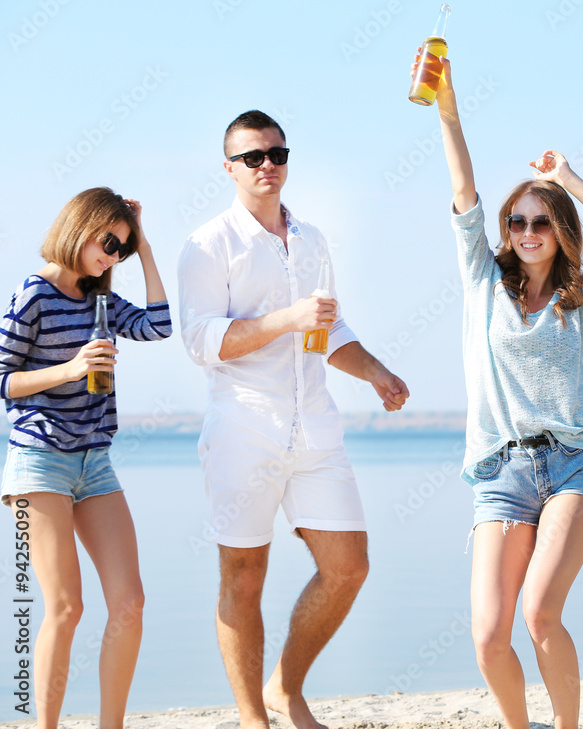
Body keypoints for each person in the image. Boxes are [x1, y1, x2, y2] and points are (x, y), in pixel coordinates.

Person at [177, 110, 409, 729]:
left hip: (317, 431)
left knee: (348, 568)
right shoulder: (208, 243)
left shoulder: (312, 239)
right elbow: (202, 341)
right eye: (252, 157)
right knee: (244, 575)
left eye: (277, 153)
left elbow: (328, 328)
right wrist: (290, 317)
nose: (267, 166)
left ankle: (286, 686)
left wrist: (378, 373)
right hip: (241, 431)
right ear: (229, 167)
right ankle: (254, 718)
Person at [427, 53, 583, 729]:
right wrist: (446, 103)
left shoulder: (581, 295)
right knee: (489, 636)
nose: (525, 232)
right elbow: (462, 187)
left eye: (541, 221)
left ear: (558, 232)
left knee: (540, 609)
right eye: (517, 222)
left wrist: (563, 176)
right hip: (500, 470)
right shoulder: (484, 283)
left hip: (572, 462)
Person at [0, 189, 171, 729]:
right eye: (108, 242)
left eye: (120, 247)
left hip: (94, 462)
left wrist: (144, 249)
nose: (111, 255)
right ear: (81, 225)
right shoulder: (33, 294)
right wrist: (71, 369)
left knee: (129, 604)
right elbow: (4, 380)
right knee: (65, 608)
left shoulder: (99, 301)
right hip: (38, 462)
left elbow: (159, 324)